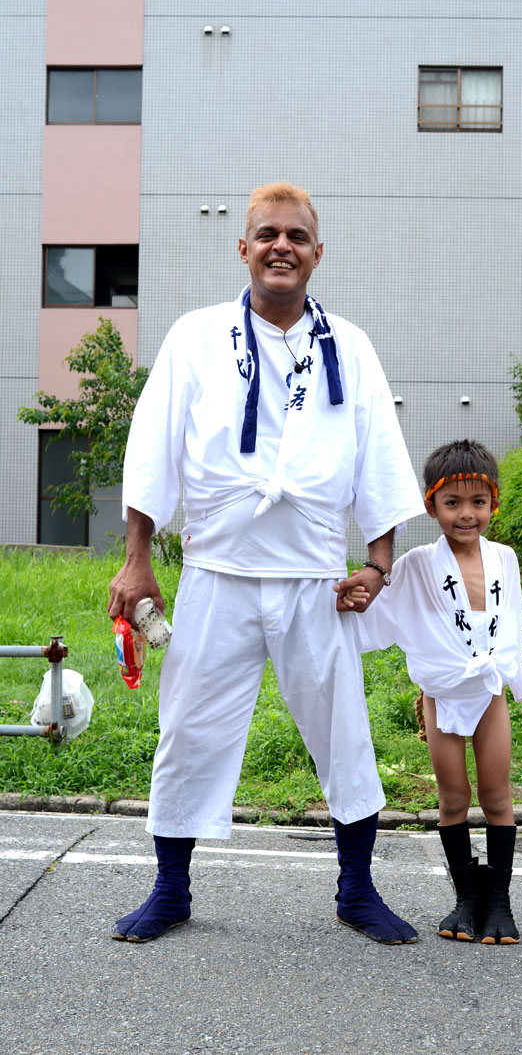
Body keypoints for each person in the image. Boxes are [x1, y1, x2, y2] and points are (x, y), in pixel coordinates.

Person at [107, 182, 426, 945]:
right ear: (243, 247)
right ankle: (171, 888)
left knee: (343, 729)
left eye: (297, 235)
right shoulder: (195, 336)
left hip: (316, 578)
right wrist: (137, 561)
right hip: (217, 568)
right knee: (188, 729)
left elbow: (378, 455)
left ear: (318, 252)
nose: (282, 246)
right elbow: (152, 449)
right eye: (267, 234)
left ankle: (357, 889)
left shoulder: (351, 345)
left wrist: (378, 566)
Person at [344, 439, 522, 944]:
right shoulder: (417, 564)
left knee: (497, 795)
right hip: (440, 694)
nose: (466, 514)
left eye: (477, 502)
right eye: (453, 503)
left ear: (493, 503)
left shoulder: (506, 559)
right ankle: (465, 900)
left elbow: (513, 629)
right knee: (454, 796)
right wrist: (355, 598)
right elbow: (380, 612)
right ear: (430, 506)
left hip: (490, 694)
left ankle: (499, 903)